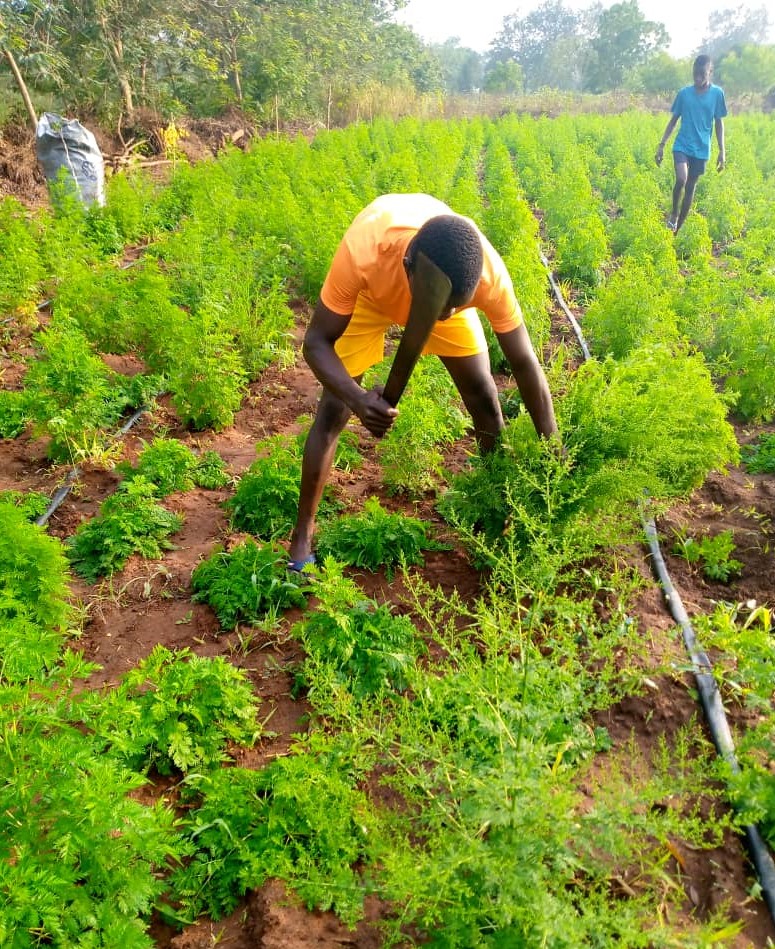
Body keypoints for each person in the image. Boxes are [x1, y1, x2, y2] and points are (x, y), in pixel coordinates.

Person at [288, 193, 559, 570]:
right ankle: (301, 538)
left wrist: (553, 450)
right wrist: (357, 398)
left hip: (444, 288)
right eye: (446, 307)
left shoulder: (482, 277)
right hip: (373, 296)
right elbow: (316, 343)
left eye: (459, 306)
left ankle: (493, 512)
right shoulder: (366, 249)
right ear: (408, 266)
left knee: (484, 396)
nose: (446, 316)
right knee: (333, 413)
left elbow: (525, 363)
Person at [655, 54, 727, 234]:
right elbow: (673, 121)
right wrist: (662, 144)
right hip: (682, 145)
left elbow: (719, 123)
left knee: (690, 188)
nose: (697, 77)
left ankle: (677, 230)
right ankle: (673, 214)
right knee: (681, 178)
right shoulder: (684, 94)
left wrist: (722, 151)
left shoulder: (717, 94)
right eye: (695, 73)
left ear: (710, 72)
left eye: (702, 74)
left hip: (702, 148)